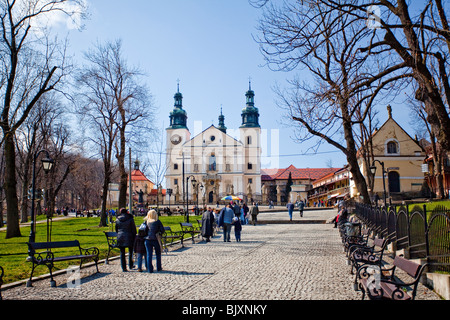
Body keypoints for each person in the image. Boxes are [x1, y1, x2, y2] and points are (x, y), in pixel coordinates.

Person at [115, 208, 136, 272]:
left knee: (122, 253)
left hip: (120, 237)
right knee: (130, 252)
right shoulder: (130, 219)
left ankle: (123, 267)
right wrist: (134, 236)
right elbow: (133, 229)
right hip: (129, 236)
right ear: (126, 212)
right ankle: (130, 265)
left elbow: (116, 229)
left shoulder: (118, 219)